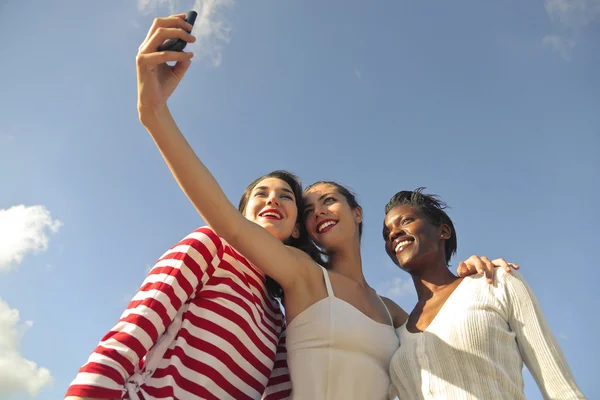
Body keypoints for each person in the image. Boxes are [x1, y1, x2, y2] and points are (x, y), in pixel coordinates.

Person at [130, 13, 520, 399]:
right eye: (309, 208)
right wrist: (154, 114)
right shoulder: (304, 276)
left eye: (329, 201)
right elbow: (230, 224)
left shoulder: (393, 313)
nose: (318, 212)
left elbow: (450, 326)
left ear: (358, 213)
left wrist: (479, 276)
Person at [65, 170, 314, 400]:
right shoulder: (213, 244)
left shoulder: (279, 316)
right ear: (242, 214)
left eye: (285, 196)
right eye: (261, 193)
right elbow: (139, 323)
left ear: (296, 230)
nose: (272, 200)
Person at [383, 188, 586, 399]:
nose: (393, 233)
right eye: (386, 233)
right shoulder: (396, 334)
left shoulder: (495, 282)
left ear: (443, 231)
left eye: (405, 221)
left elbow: (559, 385)